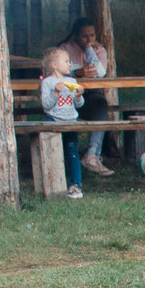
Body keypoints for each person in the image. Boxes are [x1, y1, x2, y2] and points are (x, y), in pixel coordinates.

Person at [64, 16, 113, 177]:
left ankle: (91, 155)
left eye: (92, 35)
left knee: (101, 105)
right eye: (85, 36)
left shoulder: (99, 50)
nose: (89, 39)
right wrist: (77, 72)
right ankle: (75, 157)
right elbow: (59, 72)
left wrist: (89, 49)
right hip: (69, 95)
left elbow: (99, 73)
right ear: (76, 35)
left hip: (91, 95)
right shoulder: (65, 49)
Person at [39, 46, 85, 198]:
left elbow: (78, 104)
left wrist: (79, 96)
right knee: (54, 152)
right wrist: (55, 92)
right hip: (54, 120)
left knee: (72, 152)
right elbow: (46, 104)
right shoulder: (47, 82)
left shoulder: (72, 80)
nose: (70, 64)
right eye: (66, 61)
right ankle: (54, 185)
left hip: (71, 120)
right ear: (54, 65)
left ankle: (76, 185)